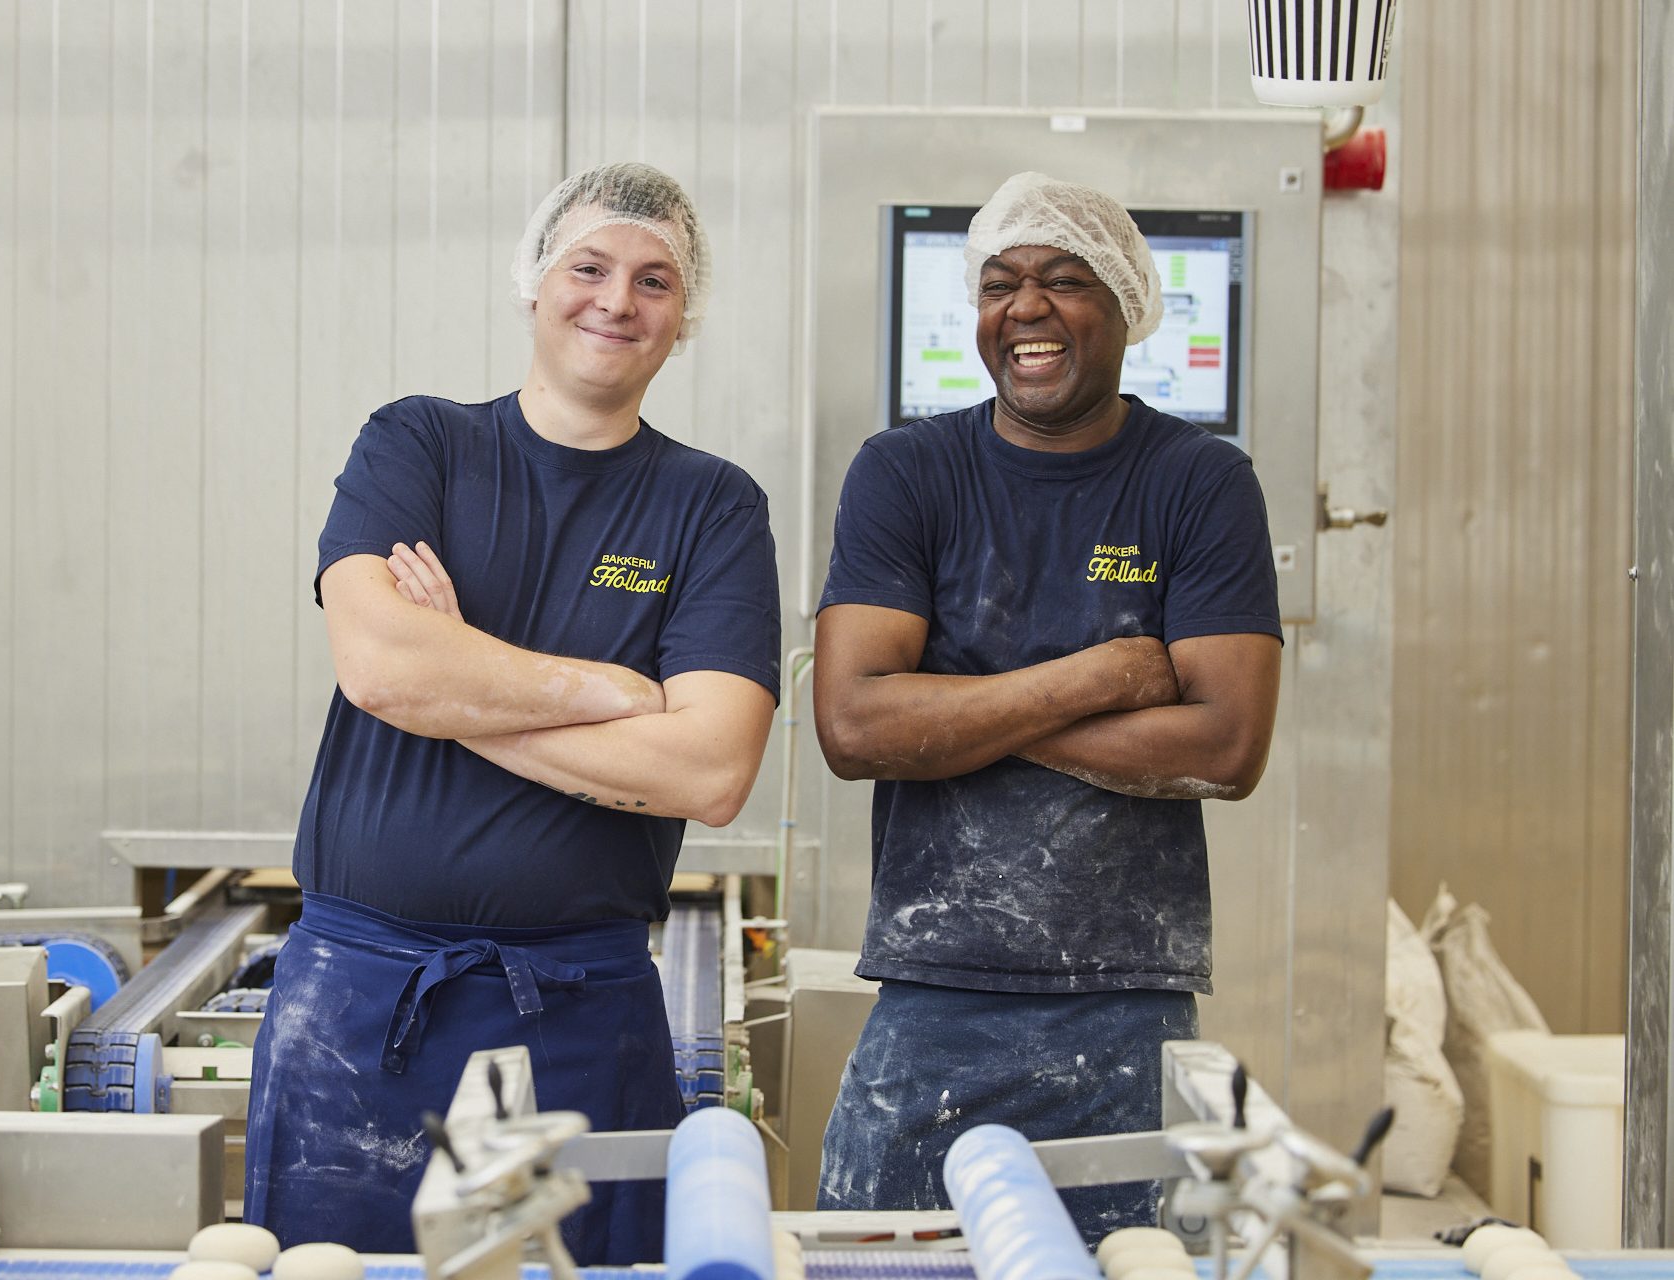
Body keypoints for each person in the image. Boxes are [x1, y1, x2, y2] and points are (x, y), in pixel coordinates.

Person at [243, 161, 782, 1264]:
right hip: (357, 1006)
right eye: (587, 267)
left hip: (580, 1014)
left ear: (684, 321)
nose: (615, 300)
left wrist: (459, 693)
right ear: (534, 282)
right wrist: (611, 690)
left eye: (653, 281)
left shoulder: (711, 506)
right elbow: (381, 667)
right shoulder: (419, 444)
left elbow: (709, 770)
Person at [810, 171, 1284, 1240]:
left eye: (1063, 280)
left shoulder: (1197, 480)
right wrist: (1106, 675)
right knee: (871, 1265)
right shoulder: (906, 473)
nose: (1023, 307)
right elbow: (852, 727)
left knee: (1124, 1264)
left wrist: (957, 713)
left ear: (1123, 307)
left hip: (1125, 998)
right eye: (998, 283)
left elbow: (1223, 741)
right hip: (932, 991)